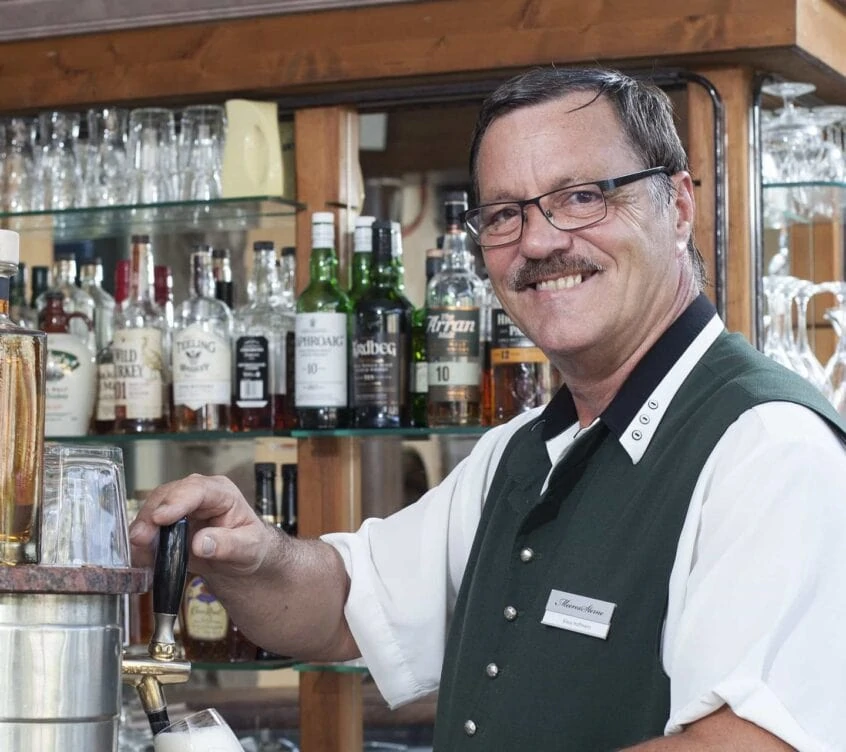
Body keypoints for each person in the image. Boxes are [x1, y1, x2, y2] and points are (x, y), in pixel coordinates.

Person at [130, 67, 846, 750]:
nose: (538, 241)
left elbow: (754, 742)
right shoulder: (522, 452)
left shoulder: (768, 448)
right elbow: (347, 604)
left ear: (679, 205)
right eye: (504, 214)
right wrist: (246, 554)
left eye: (583, 196)